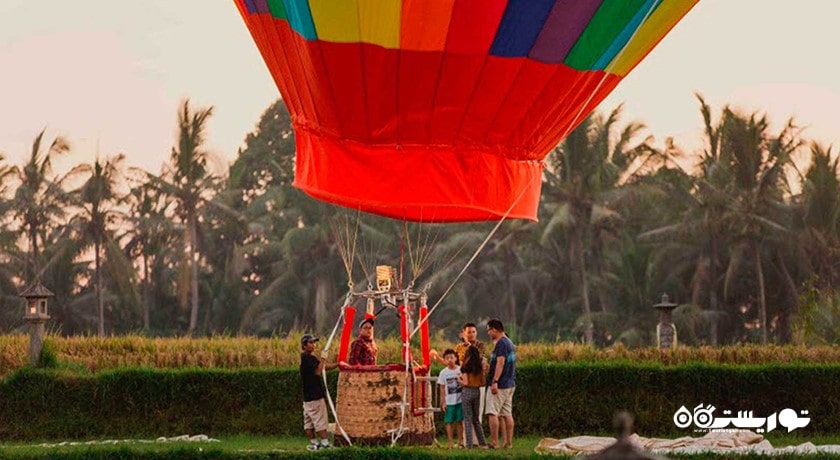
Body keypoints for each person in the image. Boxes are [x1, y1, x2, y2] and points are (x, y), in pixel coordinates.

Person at [300, 334, 339, 451]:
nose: (313, 345)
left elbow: (323, 367)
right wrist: (323, 358)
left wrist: (338, 364)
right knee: (320, 421)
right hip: (315, 396)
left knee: (308, 423)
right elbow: (318, 371)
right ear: (304, 346)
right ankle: (325, 444)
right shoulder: (308, 358)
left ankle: (314, 443)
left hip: (307, 398)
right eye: (311, 343)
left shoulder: (307, 358)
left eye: (314, 342)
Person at [485, 318, 516, 449]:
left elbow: (500, 362)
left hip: (501, 384)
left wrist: (495, 381)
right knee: (507, 413)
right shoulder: (509, 342)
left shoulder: (501, 343)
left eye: (489, 330)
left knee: (492, 413)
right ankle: (508, 443)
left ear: (494, 329)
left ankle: (494, 442)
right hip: (510, 383)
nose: (488, 333)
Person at [437, 349, 464, 448]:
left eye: (452, 357)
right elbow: (442, 387)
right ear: (444, 360)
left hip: (460, 400)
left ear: (456, 358)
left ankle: (460, 442)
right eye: (447, 358)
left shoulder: (461, 370)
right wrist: (443, 402)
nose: (450, 360)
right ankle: (450, 443)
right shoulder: (443, 373)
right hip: (449, 402)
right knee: (449, 422)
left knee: (460, 421)